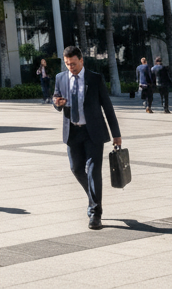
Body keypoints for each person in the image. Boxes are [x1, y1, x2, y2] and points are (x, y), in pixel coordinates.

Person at [52, 45, 122, 229]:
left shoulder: (95, 78)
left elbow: (107, 107)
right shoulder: (60, 78)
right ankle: (94, 200)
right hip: (72, 132)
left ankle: (95, 213)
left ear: (81, 60)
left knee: (93, 171)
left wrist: (116, 134)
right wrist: (57, 103)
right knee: (76, 168)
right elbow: (56, 98)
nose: (71, 67)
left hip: (93, 132)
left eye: (73, 64)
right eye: (67, 64)